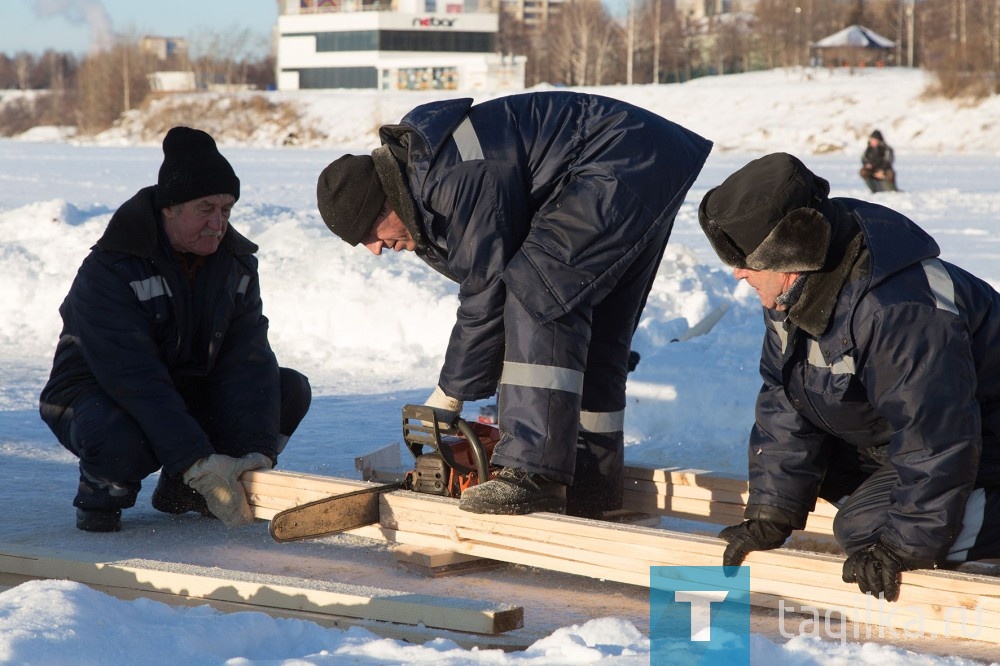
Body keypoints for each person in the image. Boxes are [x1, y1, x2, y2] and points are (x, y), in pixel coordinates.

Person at [316, 92, 711, 517]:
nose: (375, 250)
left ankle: (532, 473)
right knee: (595, 326)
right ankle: (594, 483)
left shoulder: (451, 178)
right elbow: (490, 286)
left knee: (538, 287)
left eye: (370, 234)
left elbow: (489, 290)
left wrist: (451, 393)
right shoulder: (427, 182)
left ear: (386, 201)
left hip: (619, 159)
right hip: (644, 158)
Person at [699, 152, 1000, 601]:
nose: (739, 272)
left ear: (790, 251)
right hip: (916, 437)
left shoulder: (898, 309)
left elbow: (937, 432)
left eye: (746, 260)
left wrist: (902, 545)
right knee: (818, 479)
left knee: (863, 527)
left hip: (981, 437)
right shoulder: (794, 290)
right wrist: (772, 513)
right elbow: (784, 401)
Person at [39, 126, 312, 533]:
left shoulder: (236, 266)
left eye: (226, 210)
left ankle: (184, 492)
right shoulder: (111, 267)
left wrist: (255, 451)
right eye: (206, 209)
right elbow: (133, 376)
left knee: (286, 389)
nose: (218, 223)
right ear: (169, 207)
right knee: (123, 438)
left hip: (181, 385)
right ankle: (103, 492)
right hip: (98, 393)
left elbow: (247, 358)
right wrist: (196, 461)